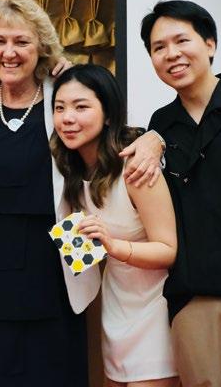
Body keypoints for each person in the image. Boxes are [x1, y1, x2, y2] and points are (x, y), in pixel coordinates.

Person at [0, 0, 165, 387]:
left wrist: (156, 139)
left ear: (42, 47)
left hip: (53, 277)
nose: (9, 52)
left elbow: (112, 133)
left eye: (22, 42)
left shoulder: (60, 95)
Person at [141, 0, 221, 387]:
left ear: (210, 44)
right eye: (159, 47)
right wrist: (151, 138)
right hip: (196, 302)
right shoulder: (162, 124)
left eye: (182, 40)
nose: (171, 54)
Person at [51, 64, 178, 387]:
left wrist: (114, 246)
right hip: (114, 306)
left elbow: (168, 250)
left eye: (81, 107)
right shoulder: (69, 172)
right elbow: (82, 256)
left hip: (155, 310)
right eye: (59, 108)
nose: (67, 118)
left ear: (108, 114)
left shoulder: (136, 167)